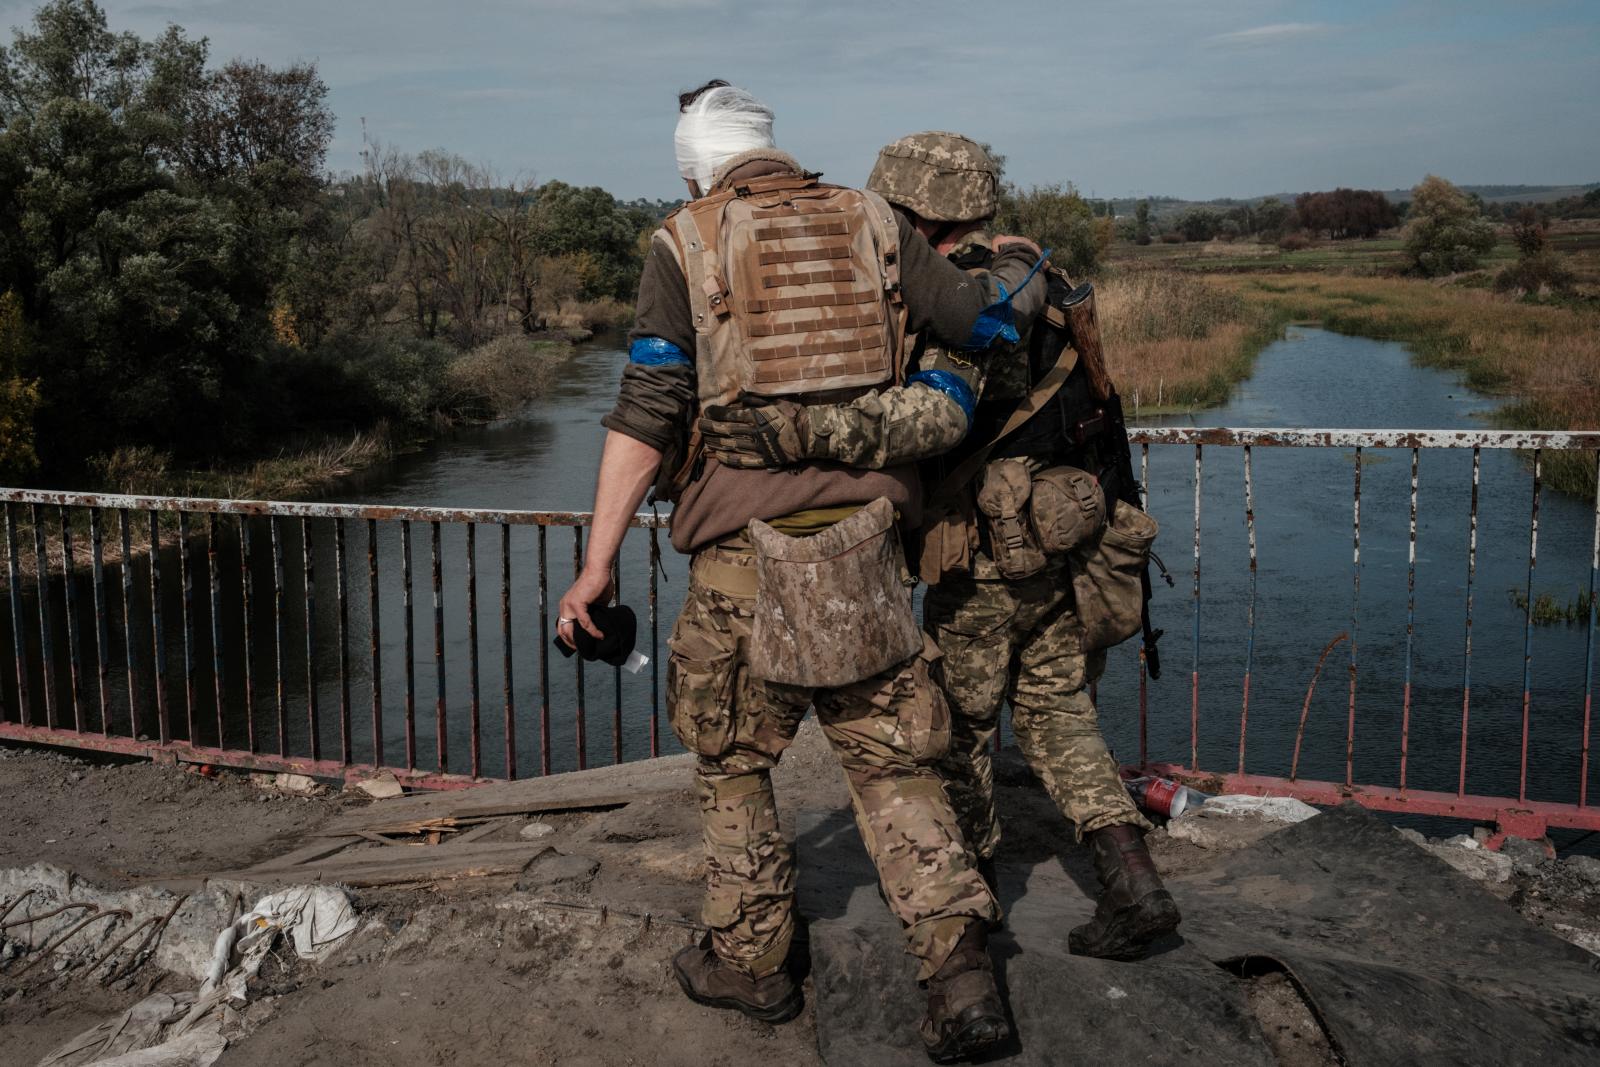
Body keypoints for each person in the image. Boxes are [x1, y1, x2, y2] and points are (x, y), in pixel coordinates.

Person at [555, 85, 1048, 1062]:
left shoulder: (684, 239)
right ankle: (958, 974)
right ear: (773, 150)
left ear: (696, 163)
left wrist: (595, 562)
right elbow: (978, 324)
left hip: (745, 549)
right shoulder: (870, 215)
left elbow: (650, 409)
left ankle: (752, 958)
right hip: (864, 541)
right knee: (891, 758)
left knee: (733, 756)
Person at [704, 131, 1181, 962]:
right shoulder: (1043, 278)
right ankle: (1135, 882)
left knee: (952, 729)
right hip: (1070, 539)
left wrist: (790, 433)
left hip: (986, 553)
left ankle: (970, 908)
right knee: (1058, 708)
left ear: (916, 216)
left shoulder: (959, 301)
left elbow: (935, 418)